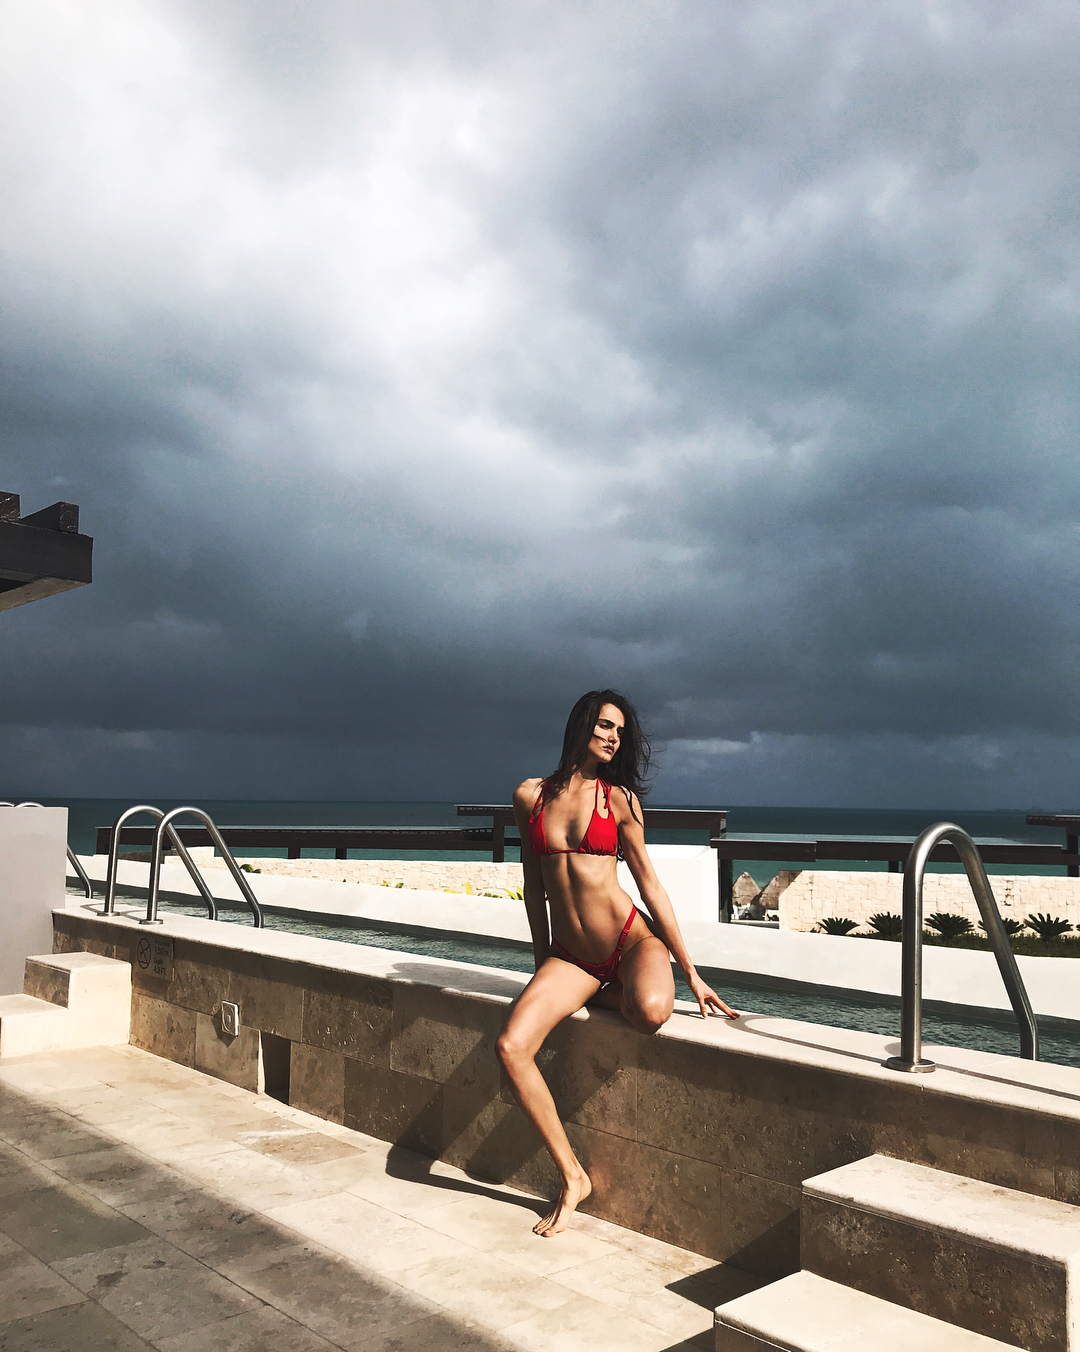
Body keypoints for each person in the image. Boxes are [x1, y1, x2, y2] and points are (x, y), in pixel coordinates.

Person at [495, 689, 737, 1239]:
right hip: (572, 959)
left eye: (620, 732)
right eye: (605, 725)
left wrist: (690, 970)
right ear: (581, 724)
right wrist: (541, 962)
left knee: (651, 1012)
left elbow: (649, 884)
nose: (613, 738)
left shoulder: (619, 799)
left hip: (630, 941)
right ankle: (572, 1176)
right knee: (510, 1047)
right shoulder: (529, 796)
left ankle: (630, 986)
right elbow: (534, 888)